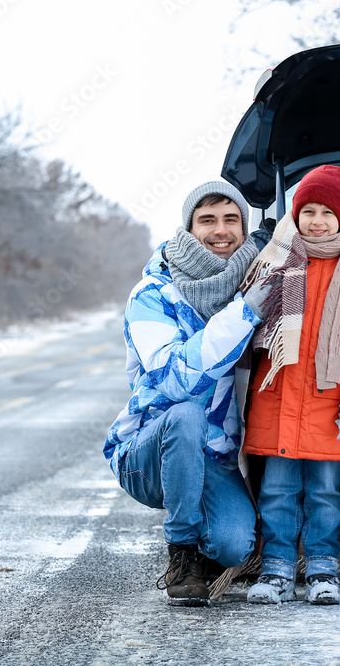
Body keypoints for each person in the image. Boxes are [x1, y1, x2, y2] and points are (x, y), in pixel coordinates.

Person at [104, 181, 269, 606]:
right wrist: (245, 313)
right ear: (188, 228)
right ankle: (182, 553)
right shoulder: (152, 295)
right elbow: (177, 378)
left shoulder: (247, 281)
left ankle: (207, 538)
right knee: (187, 414)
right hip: (146, 454)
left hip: (215, 454)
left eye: (232, 220)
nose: (221, 230)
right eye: (207, 220)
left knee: (234, 546)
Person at [241, 165, 340, 606]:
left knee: (325, 493)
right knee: (277, 492)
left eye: (327, 212)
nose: (317, 221)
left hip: (330, 403)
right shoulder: (277, 260)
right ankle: (278, 568)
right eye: (308, 211)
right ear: (295, 215)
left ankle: (323, 568)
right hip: (276, 398)